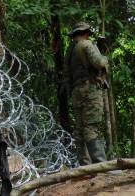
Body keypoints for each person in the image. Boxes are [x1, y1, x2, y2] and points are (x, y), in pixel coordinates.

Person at [64, 22, 109, 166]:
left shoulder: (70, 51)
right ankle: (100, 165)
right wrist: (104, 57)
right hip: (90, 90)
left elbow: (67, 76)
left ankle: (85, 165)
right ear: (86, 33)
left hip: (76, 91)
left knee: (80, 129)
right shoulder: (86, 44)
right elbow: (99, 63)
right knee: (91, 127)